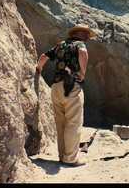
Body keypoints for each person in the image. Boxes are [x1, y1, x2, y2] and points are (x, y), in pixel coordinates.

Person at [35, 24, 96, 167]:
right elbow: (83, 53)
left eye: (88, 35)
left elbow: (44, 56)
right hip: (71, 86)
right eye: (84, 34)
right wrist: (82, 72)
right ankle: (71, 158)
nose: (87, 37)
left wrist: (38, 68)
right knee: (73, 123)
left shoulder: (60, 46)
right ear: (76, 34)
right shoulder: (79, 44)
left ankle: (62, 156)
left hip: (56, 87)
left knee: (60, 123)